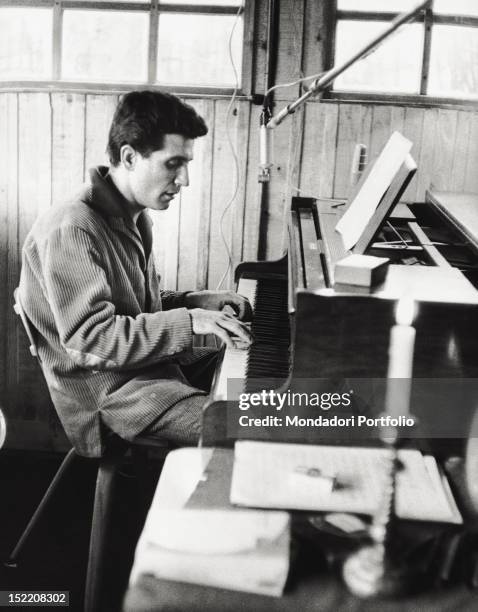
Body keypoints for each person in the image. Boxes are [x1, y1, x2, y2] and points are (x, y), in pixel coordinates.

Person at [19, 90, 252, 457]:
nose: (184, 180)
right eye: (173, 163)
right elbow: (91, 341)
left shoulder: (133, 215)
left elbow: (135, 306)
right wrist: (191, 321)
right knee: (254, 427)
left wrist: (193, 301)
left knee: (268, 375)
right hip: (112, 395)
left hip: (152, 372)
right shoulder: (72, 227)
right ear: (129, 157)